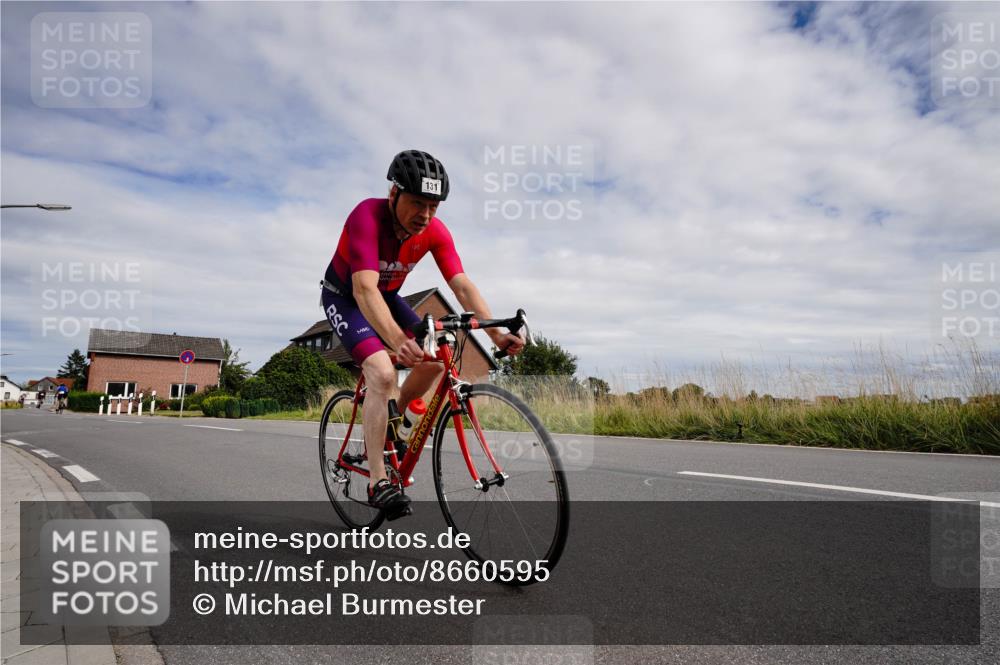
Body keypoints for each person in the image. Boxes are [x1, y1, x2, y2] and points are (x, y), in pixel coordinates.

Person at [322, 150, 525, 516]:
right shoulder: (366, 217)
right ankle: (378, 480)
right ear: (393, 194)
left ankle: (393, 424)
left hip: (387, 297)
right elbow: (364, 290)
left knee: (436, 359)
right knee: (383, 372)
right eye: (418, 203)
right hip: (346, 297)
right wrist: (397, 341)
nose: (426, 215)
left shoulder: (433, 231)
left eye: (434, 206)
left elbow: (461, 284)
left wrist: (495, 335)